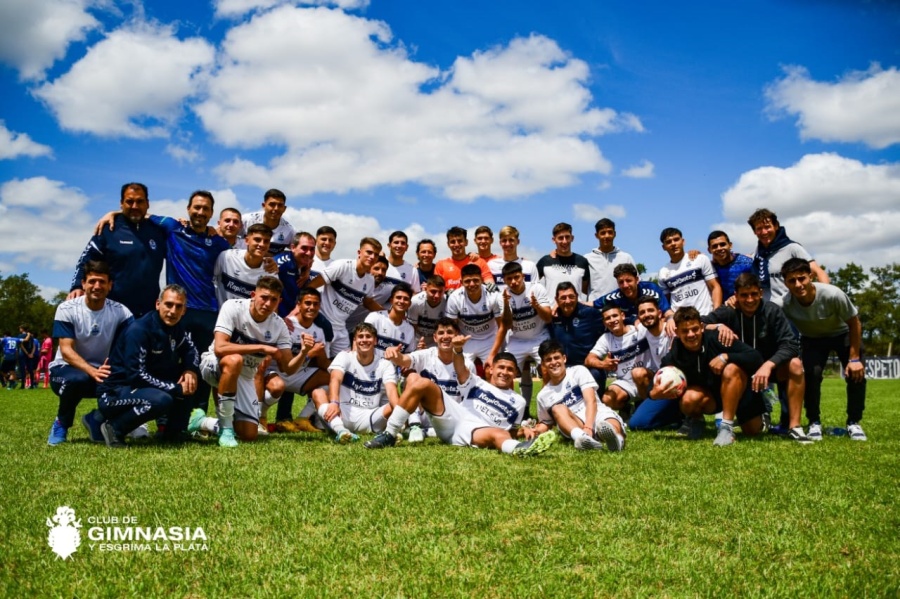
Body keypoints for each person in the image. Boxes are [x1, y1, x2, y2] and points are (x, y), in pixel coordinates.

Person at [365, 331, 558, 457]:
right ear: (490, 369)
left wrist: (525, 431)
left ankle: (518, 450)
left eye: (509, 369)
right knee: (421, 382)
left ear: (515, 373)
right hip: (454, 417)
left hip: (480, 430)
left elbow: (511, 429)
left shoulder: (519, 401)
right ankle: (390, 434)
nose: (504, 372)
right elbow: (460, 367)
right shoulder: (476, 381)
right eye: (501, 368)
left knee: (498, 433)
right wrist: (458, 349)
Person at [189, 276, 309, 447]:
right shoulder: (233, 307)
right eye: (264, 297)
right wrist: (261, 348)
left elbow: (288, 368)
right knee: (234, 360)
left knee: (249, 434)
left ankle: (203, 422)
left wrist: (304, 352)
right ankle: (227, 430)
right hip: (214, 364)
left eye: (273, 300)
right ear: (253, 294)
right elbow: (220, 348)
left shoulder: (279, 326)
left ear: (279, 301)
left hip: (245, 376)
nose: (267, 304)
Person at [701, 273, 810, 442]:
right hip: (743, 373)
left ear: (760, 293)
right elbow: (699, 324)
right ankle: (727, 427)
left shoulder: (772, 310)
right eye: (744, 295)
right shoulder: (728, 311)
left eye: (753, 294)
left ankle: (795, 427)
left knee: (795, 364)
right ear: (735, 296)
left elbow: (790, 344)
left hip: (769, 370)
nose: (750, 299)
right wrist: (718, 325)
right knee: (752, 430)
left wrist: (768, 365)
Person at [95, 285, 199, 448]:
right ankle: (114, 428)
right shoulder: (140, 330)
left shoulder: (177, 328)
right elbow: (136, 375)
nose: (173, 311)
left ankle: (173, 433)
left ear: (184, 310)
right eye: (169, 304)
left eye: (179, 306)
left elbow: (191, 350)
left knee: (188, 381)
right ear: (158, 304)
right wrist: (175, 388)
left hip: (141, 388)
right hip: (115, 392)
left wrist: (190, 370)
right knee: (161, 400)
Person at [649, 307, 765, 446]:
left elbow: (756, 357)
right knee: (688, 399)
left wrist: (726, 356)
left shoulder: (718, 337)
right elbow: (656, 379)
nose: (691, 334)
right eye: (685, 331)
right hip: (711, 399)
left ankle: (733, 424)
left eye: (695, 329)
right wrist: (653, 393)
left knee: (752, 431)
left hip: (738, 393)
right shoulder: (675, 353)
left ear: (702, 327)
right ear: (677, 333)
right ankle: (699, 421)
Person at [47, 261, 134, 445]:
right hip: (67, 369)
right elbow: (66, 350)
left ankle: (97, 419)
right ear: (84, 283)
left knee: (133, 381)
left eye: (102, 282)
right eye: (92, 281)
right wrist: (91, 371)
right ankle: (61, 423)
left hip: (101, 371)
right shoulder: (67, 308)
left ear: (110, 286)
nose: (97, 286)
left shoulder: (121, 312)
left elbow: (130, 346)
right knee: (78, 379)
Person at [780, 258, 868, 441]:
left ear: (810, 276)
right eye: (791, 281)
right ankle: (814, 423)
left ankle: (854, 422)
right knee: (811, 375)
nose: (798, 284)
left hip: (843, 333)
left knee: (856, 374)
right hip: (812, 339)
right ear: (785, 282)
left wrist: (854, 359)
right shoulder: (785, 304)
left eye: (801, 278)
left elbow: (855, 323)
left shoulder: (833, 294)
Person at [68, 182, 167, 317]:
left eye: (140, 201)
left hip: (148, 313)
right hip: (112, 313)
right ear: (121, 203)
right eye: (129, 201)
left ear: (147, 203)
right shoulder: (108, 229)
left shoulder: (159, 231)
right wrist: (77, 286)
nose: (135, 206)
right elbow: (85, 261)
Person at [531, 340, 626, 451]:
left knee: (607, 424)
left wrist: (589, 427)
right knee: (557, 408)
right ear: (543, 364)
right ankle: (583, 439)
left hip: (596, 412)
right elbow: (546, 423)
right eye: (548, 360)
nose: (553, 362)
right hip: (575, 423)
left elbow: (591, 400)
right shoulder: (543, 395)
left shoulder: (579, 371)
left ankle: (617, 440)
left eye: (556, 357)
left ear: (564, 358)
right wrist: (535, 430)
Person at [318, 323, 400, 443]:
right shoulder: (344, 356)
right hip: (341, 413)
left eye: (368, 336)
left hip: (370, 417)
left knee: (397, 403)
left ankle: (393, 430)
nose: (364, 340)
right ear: (355, 340)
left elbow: (392, 391)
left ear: (375, 341)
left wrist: (399, 416)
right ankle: (341, 431)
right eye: (360, 336)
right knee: (318, 393)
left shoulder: (385, 364)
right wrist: (334, 403)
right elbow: (335, 379)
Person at [309, 237, 385, 356]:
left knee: (346, 366)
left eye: (375, 255)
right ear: (359, 252)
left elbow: (368, 302)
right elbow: (311, 286)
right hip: (322, 323)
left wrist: (388, 314)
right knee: (322, 365)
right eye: (369, 252)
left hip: (341, 328)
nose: (372, 257)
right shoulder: (342, 266)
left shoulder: (370, 280)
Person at [271, 287, 332, 432]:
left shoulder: (319, 331)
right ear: (299, 305)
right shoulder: (287, 326)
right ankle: (261, 418)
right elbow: (285, 366)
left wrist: (325, 355)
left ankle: (302, 419)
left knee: (332, 378)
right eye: (308, 303)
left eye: (315, 304)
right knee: (274, 387)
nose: (312, 307)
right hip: (277, 374)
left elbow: (324, 365)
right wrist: (309, 354)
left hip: (298, 375)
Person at [497, 261, 551, 412]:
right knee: (504, 370)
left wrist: (537, 306)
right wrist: (507, 305)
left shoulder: (536, 288)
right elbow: (507, 325)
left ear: (522, 276)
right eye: (509, 279)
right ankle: (511, 409)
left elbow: (548, 318)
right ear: (504, 280)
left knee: (547, 370)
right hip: (517, 340)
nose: (513, 282)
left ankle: (548, 409)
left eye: (516, 277)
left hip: (539, 337)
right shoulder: (503, 295)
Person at [748, 208, 829, 306]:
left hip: (792, 311)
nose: (764, 232)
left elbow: (818, 272)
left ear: (776, 226)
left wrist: (825, 300)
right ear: (754, 232)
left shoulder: (792, 248)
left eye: (767, 227)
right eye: (759, 229)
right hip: (767, 312)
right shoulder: (756, 256)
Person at [585, 304, 652, 414]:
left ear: (622, 316)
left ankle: (645, 409)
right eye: (607, 318)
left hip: (645, 378)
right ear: (604, 323)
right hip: (626, 382)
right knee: (607, 400)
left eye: (615, 316)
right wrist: (603, 364)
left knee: (638, 373)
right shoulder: (606, 338)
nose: (612, 320)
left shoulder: (638, 330)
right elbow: (588, 359)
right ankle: (626, 408)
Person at [628, 298, 680, 431]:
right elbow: (631, 325)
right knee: (636, 425)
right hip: (659, 381)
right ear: (639, 317)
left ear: (659, 313)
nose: (647, 314)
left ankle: (685, 414)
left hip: (679, 380)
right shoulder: (642, 329)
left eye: (650, 310)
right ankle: (667, 413)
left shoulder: (673, 328)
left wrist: (671, 318)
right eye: (642, 312)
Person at [444, 264, 504, 369]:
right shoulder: (454, 298)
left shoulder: (493, 295)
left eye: (476, 280)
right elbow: (451, 328)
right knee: (462, 370)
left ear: (482, 280)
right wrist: (457, 344)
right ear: (461, 282)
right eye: (467, 281)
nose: (472, 284)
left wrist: (493, 353)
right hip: (466, 339)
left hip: (490, 338)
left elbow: (501, 327)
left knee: (492, 370)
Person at [548, 281, 606, 387]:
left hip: (587, 366)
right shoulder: (553, 317)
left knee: (596, 374)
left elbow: (609, 329)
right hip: (563, 367)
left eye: (571, 296)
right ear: (556, 300)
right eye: (563, 298)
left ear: (577, 296)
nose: (568, 301)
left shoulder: (590, 314)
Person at [658, 227, 722, 320]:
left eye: (676, 239)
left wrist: (716, 315)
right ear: (663, 247)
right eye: (668, 242)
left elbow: (715, 287)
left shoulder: (700, 259)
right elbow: (666, 304)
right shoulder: (663, 273)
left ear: (683, 241)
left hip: (706, 317)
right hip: (681, 324)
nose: (673, 244)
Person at [214, 223, 273, 306]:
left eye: (266, 241)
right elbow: (211, 280)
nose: (262, 244)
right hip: (220, 316)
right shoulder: (226, 257)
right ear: (246, 240)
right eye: (257, 240)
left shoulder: (270, 272)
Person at [594, 263, 672, 326]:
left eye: (628, 280)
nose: (625, 285)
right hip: (632, 334)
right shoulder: (615, 296)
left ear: (637, 280)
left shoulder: (651, 289)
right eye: (621, 282)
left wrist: (671, 319)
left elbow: (667, 312)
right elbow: (592, 304)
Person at [536, 222, 590, 302]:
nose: (564, 241)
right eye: (560, 238)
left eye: (567, 237)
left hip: (577, 312)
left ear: (572, 238)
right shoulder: (545, 261)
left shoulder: (582, 261)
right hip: (552, 312)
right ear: (554, 240)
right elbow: (532, 283)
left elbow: (584, 288)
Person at [585, 218, 636, 302]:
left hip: (620, 309)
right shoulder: (587, 259)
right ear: (596, 235)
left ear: (614, 234)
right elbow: (584, 287)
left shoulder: (626, 258)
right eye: (603, 233)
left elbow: (635, 283)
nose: (607, 236)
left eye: (610, 232)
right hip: (595, 310)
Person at [434, 226, 493, 291]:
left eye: (460, 241)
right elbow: (436, 287)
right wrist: (446, 291)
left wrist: (491, 285)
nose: (456, 244)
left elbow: (488, 280)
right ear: (448, 244)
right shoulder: (441, 265)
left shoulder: (479, 262)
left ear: (466, 242)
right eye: (453, 242)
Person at [274, 231, 318, 318]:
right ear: (293, 247)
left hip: (292, 318)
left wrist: (307, 270)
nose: (309, 253)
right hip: (278, 318)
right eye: (304, 248)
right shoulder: (281, 263)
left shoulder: (305, 266)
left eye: (312, 249)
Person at [365, 283, 417, 354]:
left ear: (409, 304)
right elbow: (360, 342)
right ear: (391, 300)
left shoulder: (410, 330)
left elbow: (408, 356)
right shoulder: (375, 318)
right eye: (398, 297)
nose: (401, 301)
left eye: (406, 299)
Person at [241, 189, 295, 255]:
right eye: (272, 204)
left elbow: (298, 251)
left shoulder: (289, 231)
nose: (276, 208)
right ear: (264, 206)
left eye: (280, 205)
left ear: (284, 208)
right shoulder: (247, 220)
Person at [487, 225, 540, 291]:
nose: (507, 244)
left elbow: (536, 291)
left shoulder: (529, 266)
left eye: (511, 240)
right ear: (500, 243)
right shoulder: (491, 265)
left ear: (518, 242)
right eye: (504, 240)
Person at [707, 230, 753, 301]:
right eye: (714, 246)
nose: (719, 248)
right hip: (723, 310)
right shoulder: (710, 268)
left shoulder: (747, 263)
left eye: (722, 244)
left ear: (730, 245)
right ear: (709, 250)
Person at [407, 275, 447, 348]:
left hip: (437, 340)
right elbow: (412, 327)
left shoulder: (447, 302)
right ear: (426, 289)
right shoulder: (415, 302)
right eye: (433, 291)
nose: (437, 296)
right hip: (418, 339)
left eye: (440, 292)